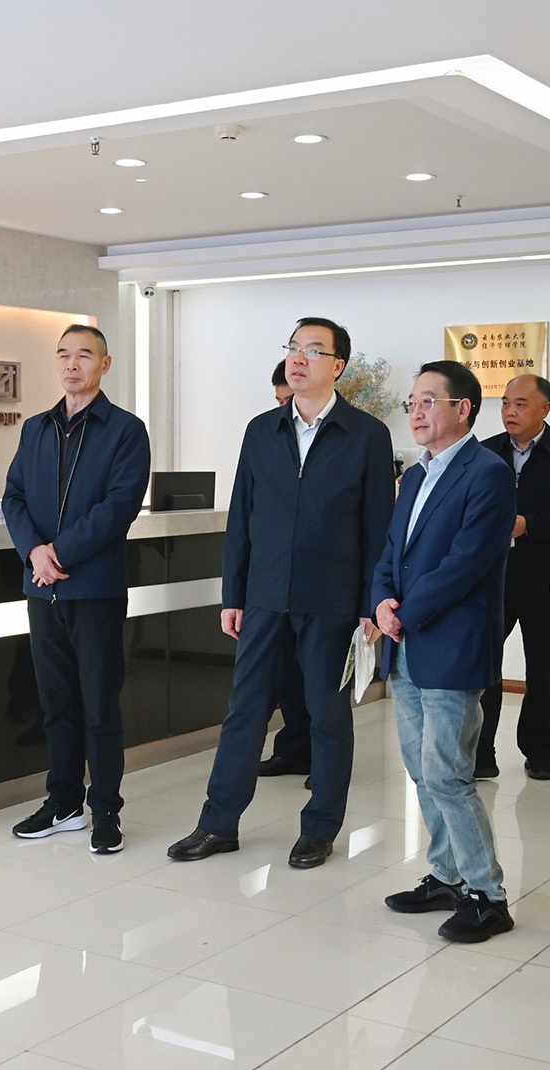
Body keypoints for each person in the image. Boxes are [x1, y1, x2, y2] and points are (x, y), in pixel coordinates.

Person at [169, 317, 394, 869]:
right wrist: (233, 594)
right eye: (293, 348)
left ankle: (319, 829)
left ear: (337, 366)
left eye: (313, 350)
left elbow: (377, 528)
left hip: (331, 602)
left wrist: (371, 604)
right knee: (244, 712)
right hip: (265, 598)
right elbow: (241, 519)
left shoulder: (366, 435)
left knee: (327, 716)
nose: (298, 358)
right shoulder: (260, 431)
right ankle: (217, 823)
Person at [375, 361, 517, 942]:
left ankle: (489, 895)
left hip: (451, 643)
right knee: (420, 770)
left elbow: (466, 563)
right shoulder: (415, 474)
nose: (415, 411)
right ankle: (447, 877)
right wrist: (381, 599)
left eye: (428, 400)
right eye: (412, 401)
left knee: (449, 773)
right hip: (406, 643)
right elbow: (392, 550)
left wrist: (404, 612)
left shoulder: (488, 474)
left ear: (463, 409)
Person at [2, 324, 151, 854]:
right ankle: (63, 802)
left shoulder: (126, 431)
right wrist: (33, 552)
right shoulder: (36, 429)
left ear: (104, 364)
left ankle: (105, 809)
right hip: (43, 590)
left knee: (99, 706)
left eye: (84, 355)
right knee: (56, 704)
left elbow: (119, 506)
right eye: (63, 354)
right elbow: (13, 497)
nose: (72, 364)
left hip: (94, 591)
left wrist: (58, 553)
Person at [475, 373, 550, 781]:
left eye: (521, 404)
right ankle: (480, 753)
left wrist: (529, 526)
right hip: (492, 578)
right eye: (505, 403)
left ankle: (539, 753)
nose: (510, 411)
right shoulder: (484, 452)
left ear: (545, 409)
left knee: (543, 669)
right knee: (483, 665)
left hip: (544, 580)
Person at [258, 359, 314, 780]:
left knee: (318, 682)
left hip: (321, 588)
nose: (284, 406)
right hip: (274, 585)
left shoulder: (358, 435)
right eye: (279, 400)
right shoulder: (265, 433)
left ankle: (321, 761)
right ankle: (294, 749)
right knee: (283, 676)